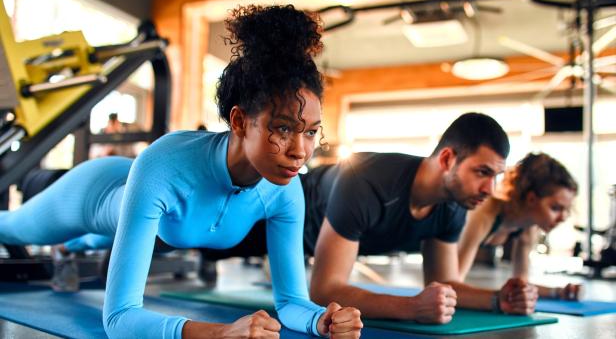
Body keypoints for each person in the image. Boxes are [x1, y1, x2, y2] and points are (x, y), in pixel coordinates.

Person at [0, 5, 362, 339]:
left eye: (311, 131)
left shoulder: (284, 191)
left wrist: (321, 320)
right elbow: (119, 317)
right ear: (239, 120)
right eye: (283, 129)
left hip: (156, 220)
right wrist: (220, 333)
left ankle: (71, 247)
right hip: (94, 192)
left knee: (109, 238)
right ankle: (65, 239)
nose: (300, 151)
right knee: (12, 227)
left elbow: (290, 303)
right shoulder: (166, 165)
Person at [197, 112, 538, 323]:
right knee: (190, 238)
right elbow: (324, 290)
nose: (489, 188)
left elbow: (445, 284)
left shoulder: (452, 204)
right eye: (482, 172)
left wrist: (498, 299)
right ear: (448, 159)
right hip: (268, 213)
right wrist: (410, 308)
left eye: (496, 176)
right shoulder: (369, 179)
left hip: (300, 241)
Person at [458, 152, 580, 300]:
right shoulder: (485, 214)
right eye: (555, 208)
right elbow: (452, 283)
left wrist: (560, 292)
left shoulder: (528, 228)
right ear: (531, 199)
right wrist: (500, 300)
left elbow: (522, 285)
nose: (563, 217)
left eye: (566, 209)